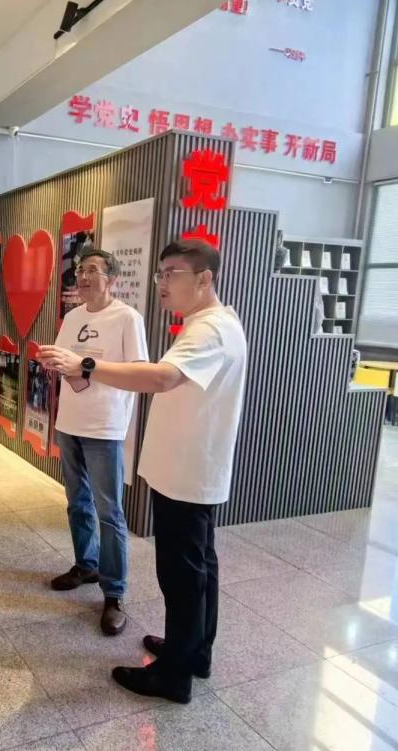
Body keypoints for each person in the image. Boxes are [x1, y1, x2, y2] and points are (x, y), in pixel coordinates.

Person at [41, 240, 247, 704]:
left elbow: (160, 377)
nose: (162, 284)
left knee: (182, 574)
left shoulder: (210, 329)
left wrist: (85, 364)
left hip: (186, 472)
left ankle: (174, 676)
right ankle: (192, 653)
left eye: (172, 274)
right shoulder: (208, 324)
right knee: (199, 568)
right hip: (187, 469)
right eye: (160, 274)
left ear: (204, 278)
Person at [45, 249, 148, 636]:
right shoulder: (73, 317)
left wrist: (85, 366)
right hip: (69, 421)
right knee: (78, 502)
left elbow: (139, 372)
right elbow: (65, 361)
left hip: (105, 426)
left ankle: (114, 593)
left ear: (112, 279)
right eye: (80, 270)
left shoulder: (127, 318)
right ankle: (86, 565)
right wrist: (53, 361)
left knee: (110, 512)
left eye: (92, 270)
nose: (83, 276)